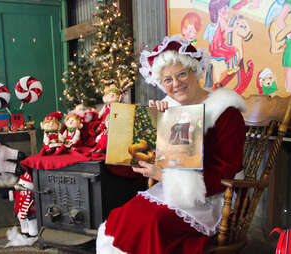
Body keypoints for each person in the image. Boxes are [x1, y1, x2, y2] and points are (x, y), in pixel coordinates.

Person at [96, 36, 247, 254]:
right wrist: (150, 124)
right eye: (167, 80)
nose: (175, 84)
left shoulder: (226, 113)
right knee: (120, 218)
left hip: (214, 195)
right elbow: (151, 161)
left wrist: (165, 175)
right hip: (173, 188)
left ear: (195, 71)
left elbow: (225, 173)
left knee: (152, 222)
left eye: (181, 74)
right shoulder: (170, 109)